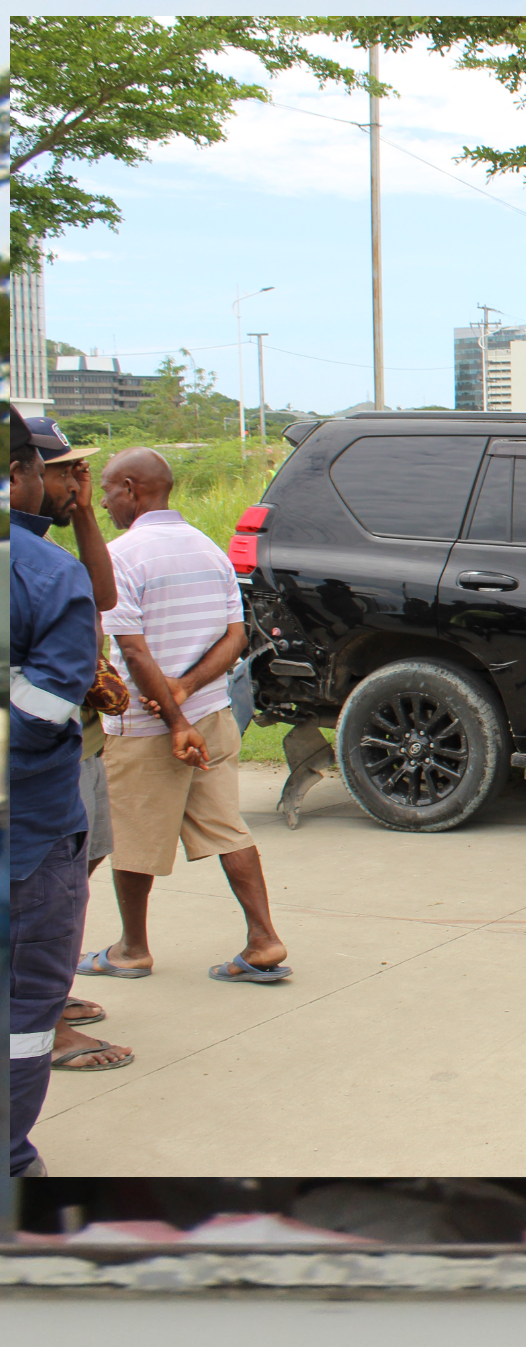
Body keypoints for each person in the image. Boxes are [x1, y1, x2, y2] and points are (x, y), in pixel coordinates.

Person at [83, 447, 287, 991]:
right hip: (213, 715)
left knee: (132, 838)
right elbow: (235, 638)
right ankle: (264, 939)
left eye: (106, 490)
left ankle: (131, 949)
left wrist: (174, 717)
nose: (102, 503)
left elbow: (135, 652)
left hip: (151, 729)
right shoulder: (208, 549)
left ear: (131, 488)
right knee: (227, 827)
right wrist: (190, 691)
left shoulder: (119, 556)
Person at [10, 406, 116, 1161]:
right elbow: (42, 710)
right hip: (31, 815)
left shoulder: (55, 560)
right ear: (22, 473)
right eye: (60, 468)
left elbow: (99, 598)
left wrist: (78, 518)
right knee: (24, 1009)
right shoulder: (40, 573)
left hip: (47, 801)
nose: (76, 479)